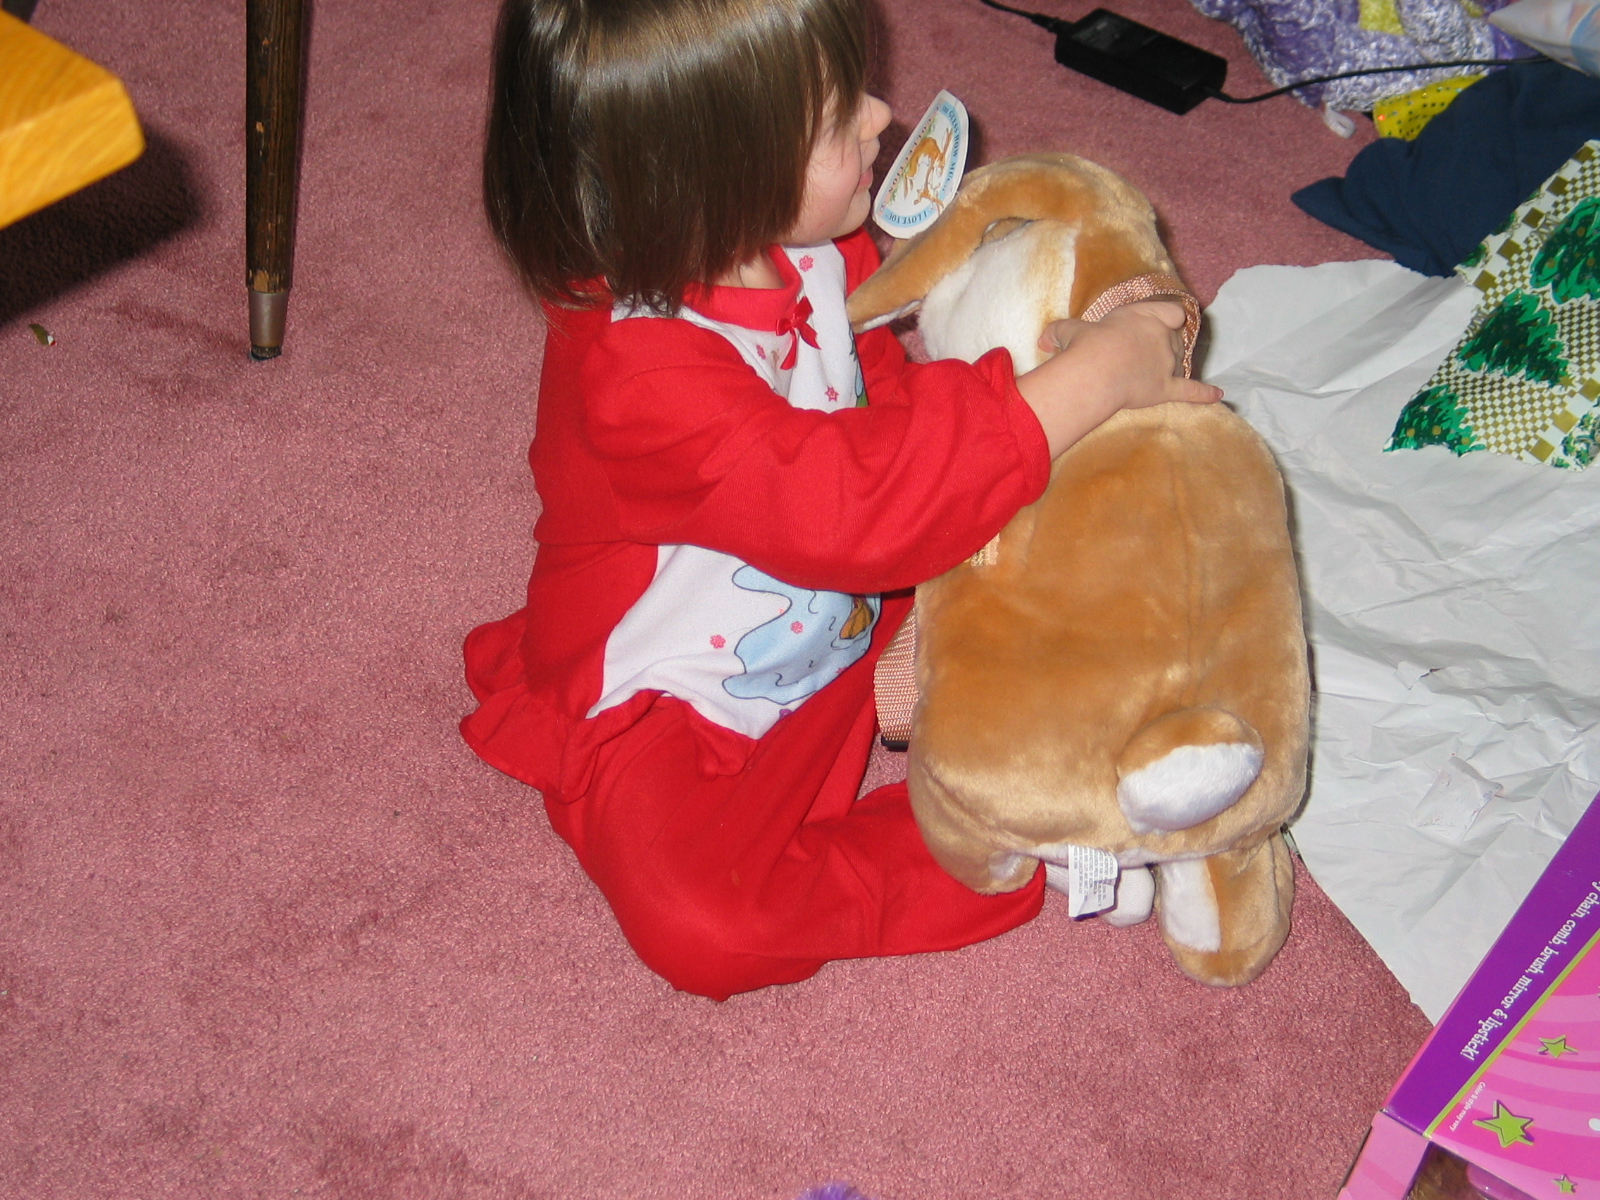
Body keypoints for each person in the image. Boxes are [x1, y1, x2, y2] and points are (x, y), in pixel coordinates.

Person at [462, 0, 1222, 1000]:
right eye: (835, 120)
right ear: (708, 176)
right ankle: (1004, 842)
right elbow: (849, 507)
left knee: (1052, 523)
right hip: (682, 697)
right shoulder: (634, 372)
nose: (880, 117)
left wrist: (1049, 391)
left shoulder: (806, 239)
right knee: (700, 922)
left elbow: (872, 397)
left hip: (852, 607)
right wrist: (1094, 380)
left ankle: (1106, 717)